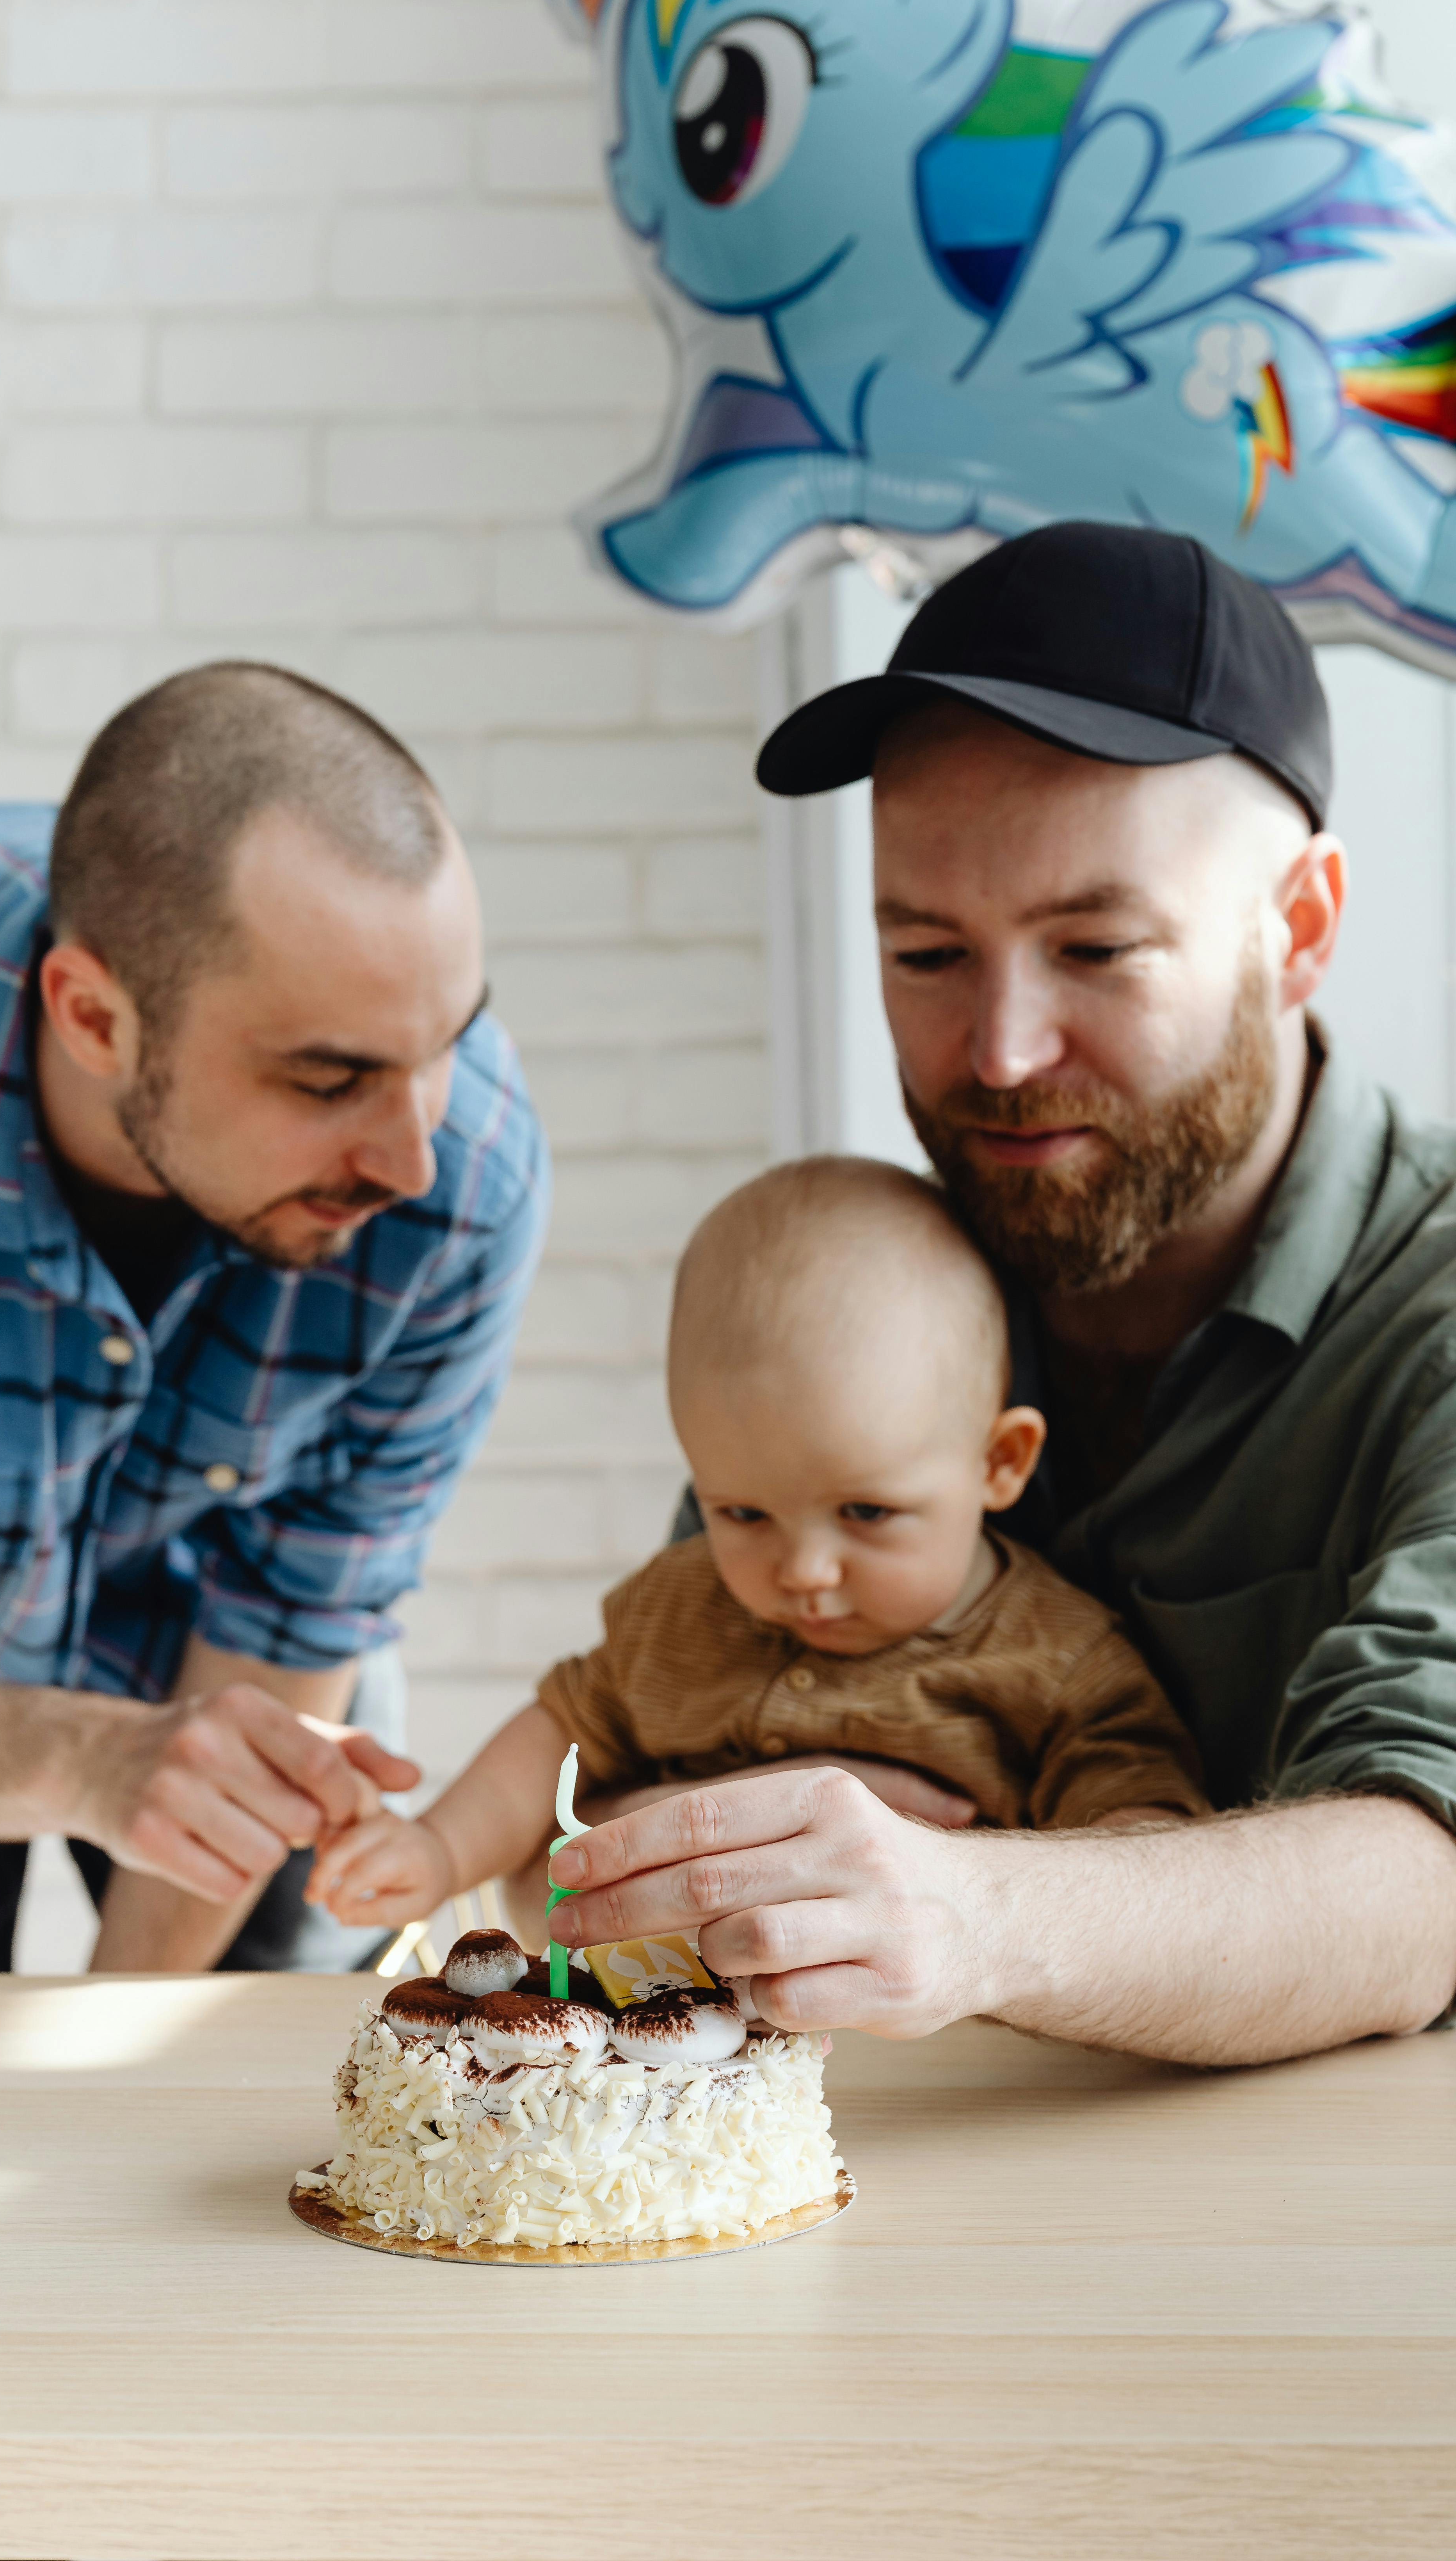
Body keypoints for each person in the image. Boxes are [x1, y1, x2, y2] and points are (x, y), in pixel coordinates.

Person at [544, 522, 1456, 2067]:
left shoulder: (1427, 1316)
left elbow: (1423, 1887)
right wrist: (677, 1860)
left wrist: (965, 1910)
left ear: (1294, 929)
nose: (999, 1055)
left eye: (1093, 947)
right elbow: (623, 1777)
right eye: (925, 952)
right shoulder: (872, 1277)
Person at [0, 662, 548, 1976]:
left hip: (228, 1655)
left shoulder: (466, 1172)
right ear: (94, 1017)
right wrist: (80, 1758)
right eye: (330, 1079)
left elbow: (303, 1598)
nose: (412, 1161)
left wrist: (122, 2054)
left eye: (446, 1045)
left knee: (238, 2093)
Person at [311, 1157, 1205, 1935]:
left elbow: (1145, 1858)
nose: (803, 1573)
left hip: (944, 2070)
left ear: (998, 1463)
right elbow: (560, 1733)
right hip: (673, 2058)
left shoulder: (1059, 1666)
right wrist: (437, 1847)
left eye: (864, 1512)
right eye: (741, 1514)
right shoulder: (680, 1611)